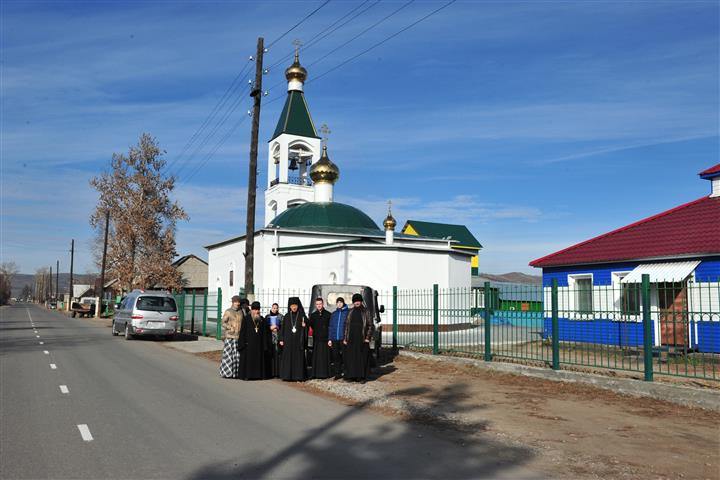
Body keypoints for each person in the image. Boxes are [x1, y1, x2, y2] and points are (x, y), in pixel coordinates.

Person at [343, 293, 374, 382]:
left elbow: (370, 325)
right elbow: (346, 326)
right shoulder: (350, 311)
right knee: (351, 358)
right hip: (351, 339)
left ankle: (362, 377)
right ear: (353, 302)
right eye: (355, 301)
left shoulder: (366, 311)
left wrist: (367, 337)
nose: (356, 303)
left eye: (358, 301)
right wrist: (345, 338)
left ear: (361, 302)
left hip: (362, 339)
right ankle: (351, 376)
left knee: (362, 359)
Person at [279, 297, 307, 381]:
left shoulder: (302, 316)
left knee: (298, 359)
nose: (294, 307)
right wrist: (281, 339)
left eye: (295, 305)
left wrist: (304, 326)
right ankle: (287, 376)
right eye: (292, 306)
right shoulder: (287, 316)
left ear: (298, 306)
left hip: (298, 342)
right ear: (290, 307)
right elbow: (282, 329)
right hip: (288, 342)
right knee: (288, 358)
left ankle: (298, 376)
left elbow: (307, 326)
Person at [241, 301, 268, 380]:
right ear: (251, 310)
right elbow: (243, 332)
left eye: (258, 310)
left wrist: (265, 345)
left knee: (258, 360)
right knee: (249, 361)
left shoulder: (262, 320)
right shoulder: (246, 319)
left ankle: (258, 375)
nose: (256, 311)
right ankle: (248, 376)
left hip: (259, 345)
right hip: (249, 344)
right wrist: (243, 343)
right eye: (255, 310)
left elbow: (264, 334)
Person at [219, 295, 245, 378]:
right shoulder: (228, 311)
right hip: (230, 336)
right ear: (233, 302)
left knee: (237, 356)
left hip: (238, 337)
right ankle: (227, 373)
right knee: (229, 356)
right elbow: (223, 322)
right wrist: (230, 327)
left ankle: (236, 373)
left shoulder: (242, 311)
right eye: (236, 302)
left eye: (238, 302)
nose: (237, 303)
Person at [308, 297, 331, 379]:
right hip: (317, 339)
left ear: (323, 304)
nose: (319, 306)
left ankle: (325, 374)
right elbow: (310, 325)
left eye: (320, 304)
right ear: (315, 305)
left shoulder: (328, 314)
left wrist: (330, 339)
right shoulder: (313, 315)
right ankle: (315, 374)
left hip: (325, 339)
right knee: (316, 358)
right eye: (317, 304)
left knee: (325, 357)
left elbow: (330, 327)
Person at [328, 297, 349, 380]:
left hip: (343, 338)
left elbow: (348, 326)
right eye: (338, 303)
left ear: (343, 303)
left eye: (341, 302)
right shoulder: (334, 314)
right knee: (336, 357)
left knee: (345, 357)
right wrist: (330, 339)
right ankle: (338, 373)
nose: (339, 304)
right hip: (334, 339)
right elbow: (330, 327)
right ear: (336, 304)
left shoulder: (347, 313)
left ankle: (346, 373)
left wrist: (346, 338)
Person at [266, 303, 282, 378]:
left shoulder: (281, 316)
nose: (275, 309)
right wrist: (270, 328)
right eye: (274, 308)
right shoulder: (267, 317)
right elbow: (265, 327)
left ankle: (277, 373)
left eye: (276, 308)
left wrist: (278, 327)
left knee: (277, 354)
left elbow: (283, 326)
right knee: (271, 354)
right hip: (270, 337)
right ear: (271, 308)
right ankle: (271, 373)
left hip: (278, 337)